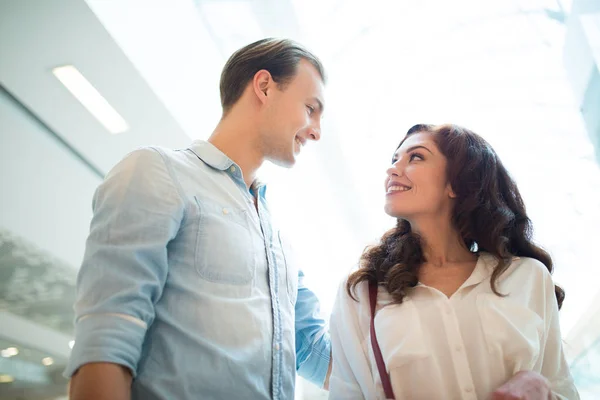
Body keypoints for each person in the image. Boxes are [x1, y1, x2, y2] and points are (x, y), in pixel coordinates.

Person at [66, 38, 332, 400]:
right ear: (265, 86)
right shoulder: (158, 172)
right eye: (310, 108)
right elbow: (107, 336)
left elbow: (314, 350)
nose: (316, 130)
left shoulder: (279, 241)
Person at [328, 124, 579, 399]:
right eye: (394, 159)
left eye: (416, 157)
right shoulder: (362, 293)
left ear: (456, 184)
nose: (393, 169)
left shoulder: (528, 277)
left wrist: (541, 389)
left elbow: (562, 387)